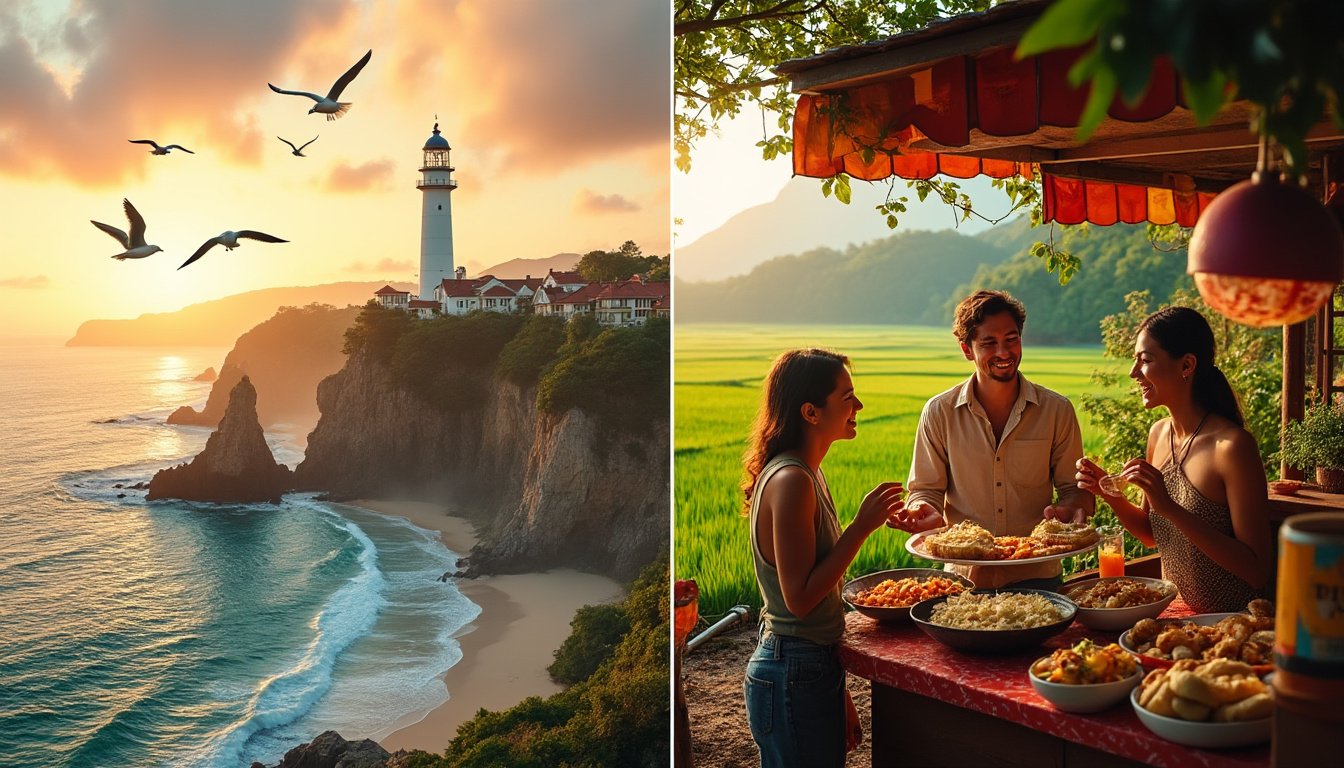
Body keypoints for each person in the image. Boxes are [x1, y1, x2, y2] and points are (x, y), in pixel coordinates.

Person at [743, 348, 905, 768]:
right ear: (811, 412)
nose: (859, 406)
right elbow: (798, 600)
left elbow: (808, 610)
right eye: (847, 397)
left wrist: (839, 692)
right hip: (792, 669)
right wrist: (861, 526)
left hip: (804, 665)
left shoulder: (808, 472)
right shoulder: (793, 479)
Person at [888, 290, 1094, 588]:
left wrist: (1069, 508)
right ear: (967, 350)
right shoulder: (939, 412)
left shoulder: (1056, 410)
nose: (1004, 352)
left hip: (1038, 576)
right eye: (989, 343)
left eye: (1011, 339)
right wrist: (924, 510)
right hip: (962, 580)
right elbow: (925, 490)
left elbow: (1074, 489)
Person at [1075, 306, 1272, 613]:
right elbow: (1153, 535)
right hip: (1182, 618)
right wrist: (1109, 494)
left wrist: (1170, 508)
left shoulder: (1232, 446)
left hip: (1238, 623)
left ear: (1187, 365)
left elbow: (1256, 570)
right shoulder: (1158, 434)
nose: (1133, 372)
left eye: (1146, 360)